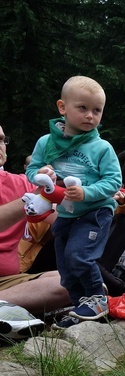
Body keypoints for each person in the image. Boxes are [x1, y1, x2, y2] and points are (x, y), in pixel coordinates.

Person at [25, 76, 122, 329]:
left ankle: (98, 299)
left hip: (95, 211)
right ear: (62, 107)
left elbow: (113, 182)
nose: (90, 115)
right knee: (65, 266)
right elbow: (32, 169)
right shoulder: (46, 143)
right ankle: (81, 306)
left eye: (97, 110)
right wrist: (40, 174)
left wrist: (86, 192)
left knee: (79, 255)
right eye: (83, 108)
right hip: (66, 214)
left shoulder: (102, 147)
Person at [0, 127, 70, 318]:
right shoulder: (29, 190)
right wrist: (33, 197)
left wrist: (97, 194)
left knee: (75, 282)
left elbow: (62, 216)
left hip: (9, 281)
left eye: (2, 140)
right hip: (15, 277)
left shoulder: (21, 182)